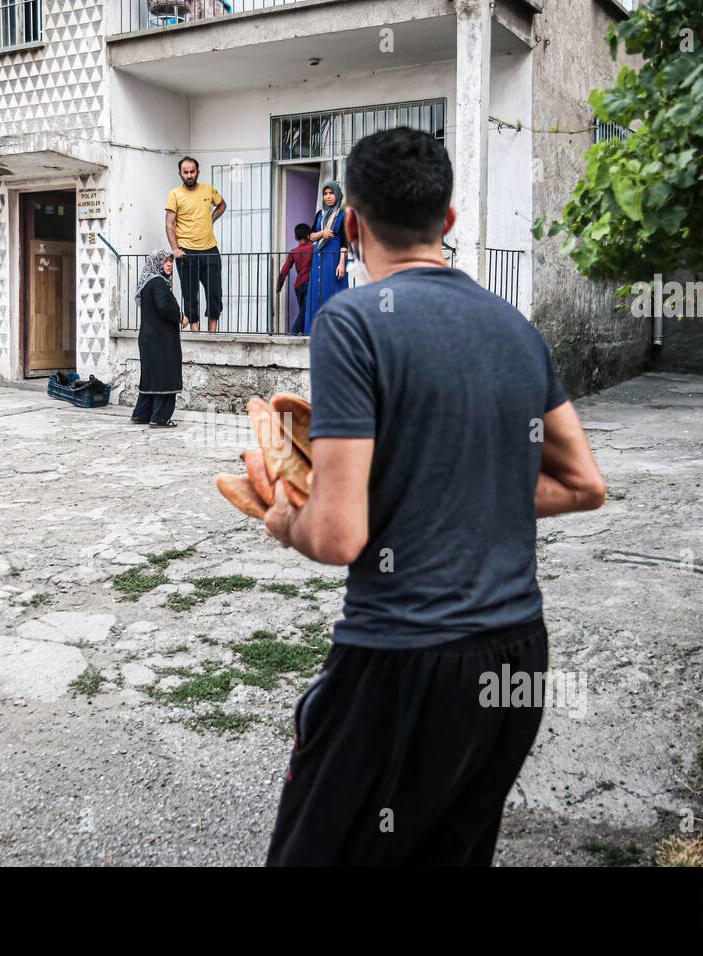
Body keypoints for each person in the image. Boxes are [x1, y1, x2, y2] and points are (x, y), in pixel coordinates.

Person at [261, 126, 607, 866]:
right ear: (448, 221)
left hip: (403, 659)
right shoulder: (516, 329)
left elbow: (340, 535)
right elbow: (584, 484)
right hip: (516, 656)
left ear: (350, 223)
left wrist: (285, 517)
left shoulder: (351, 323)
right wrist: (461, 488)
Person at [166, 157, 226, 333]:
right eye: (185, 172)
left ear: (198, 172)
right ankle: (195, 332)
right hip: (186, 252)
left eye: (192, 171)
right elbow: (170, 223)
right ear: (180, 174)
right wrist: (175, 249)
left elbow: (222, 205)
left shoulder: (208, 189)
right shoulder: (175, 194)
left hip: (210, 250)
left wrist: (211, 220)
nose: (189, 175)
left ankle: (212, 333)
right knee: (190, 295)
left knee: (215, 293)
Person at [130, 249, 183, 428]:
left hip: (148, 338)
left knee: (151, 377)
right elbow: (163, 307)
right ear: (156, 262)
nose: (169, 264)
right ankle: (160, 418)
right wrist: (180, 316)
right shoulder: (158, 282)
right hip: (160, 339)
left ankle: (141, 414)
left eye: (170, 261)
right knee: (166, 376)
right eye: (165, 261)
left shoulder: (146, 282)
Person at [304, 182, 349, 336]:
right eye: (325, 193)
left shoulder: (343, 214)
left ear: (337, 195)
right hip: (319, 256)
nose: (328, 196)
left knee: (334, 290)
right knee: (317, 292)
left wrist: (342, 263)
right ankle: (316, 330)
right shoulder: (320, 214)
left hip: (335, 256)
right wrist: (322, 233)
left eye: (331, 193)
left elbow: (345, 240)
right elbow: (310, 236)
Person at [276, 223, 314, 335]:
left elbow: (284, 269)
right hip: (308, 284)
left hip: (297, 286)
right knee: (304, 311)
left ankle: (302, 332)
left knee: (303, 310)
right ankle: (293, 332)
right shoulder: (313, 249)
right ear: (309, 236)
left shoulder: (293, 251)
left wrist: (279, 285)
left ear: (296, 237)